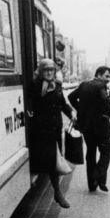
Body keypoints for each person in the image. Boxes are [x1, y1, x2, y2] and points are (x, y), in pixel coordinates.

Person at [26, 58, 75, 208]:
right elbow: (29, 105)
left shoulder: (57, 85)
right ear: (41, 72)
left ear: (54, 71)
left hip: (55, 130)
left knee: (54, 161)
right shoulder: (34, 86)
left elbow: (62, 104)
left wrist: (71, 113)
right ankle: (57, 192)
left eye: (51, 70)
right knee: (48, 161)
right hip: (41, 131)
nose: (49, 73)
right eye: (46, 70)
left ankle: (57, 193)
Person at [68, 67, 110, 192]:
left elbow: (71, 97)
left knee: (91, 153)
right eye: (106, 76)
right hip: (101, 127)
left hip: (86, 127)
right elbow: (109, 108)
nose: (108, 79)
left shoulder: (84, 85)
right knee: (106, 151)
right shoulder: (101, 86)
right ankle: (97, 176)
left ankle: (92, 185)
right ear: (99, 75)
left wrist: (81, 110)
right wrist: (109, 113)